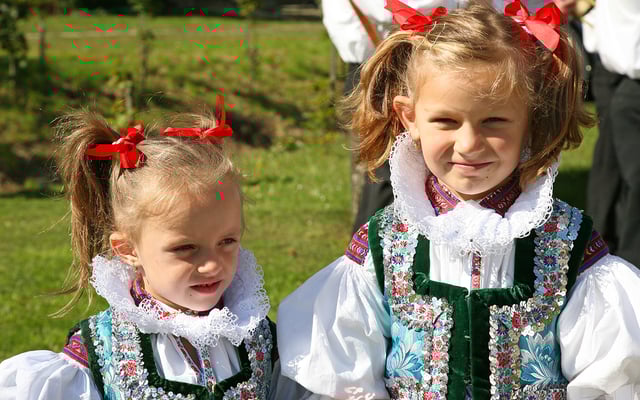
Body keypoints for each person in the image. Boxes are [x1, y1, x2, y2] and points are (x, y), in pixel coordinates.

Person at [278, 1, 640, 399]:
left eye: (494, 122)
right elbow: (343, 374)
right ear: (410, 118)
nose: (469, 144)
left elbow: (609, 374)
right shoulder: (383, 246)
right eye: (447, 121)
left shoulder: (568, 243)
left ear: (530, 119)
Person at [0, 101, 305, 399]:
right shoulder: (101, 354)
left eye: (227, 242)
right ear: (127, 249)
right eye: (186, 248)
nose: (212, 265)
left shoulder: (257, 335)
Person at [322, 0, 464, 234]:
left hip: (412, 58)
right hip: (393, 62)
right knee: (390, 171)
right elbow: (401, 7)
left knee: (388, 174)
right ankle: (372, 247)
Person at [583, 0, 640, 266]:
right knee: (610, 168)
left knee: (627, 175)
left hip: (626, 74)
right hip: (615, 71)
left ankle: (622, 257)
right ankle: (602, 249)